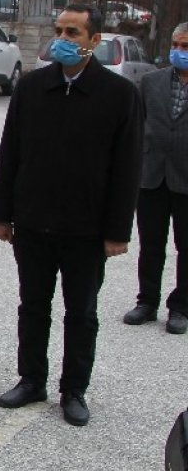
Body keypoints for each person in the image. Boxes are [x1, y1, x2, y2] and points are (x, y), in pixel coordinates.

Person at [0, 3, 143, 427]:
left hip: (86, 230)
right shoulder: (33, 87)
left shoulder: (119, 95)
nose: (63, 39)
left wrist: (117, 231)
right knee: (33, 307)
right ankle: (31, 379)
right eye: (59, 30)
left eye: (73, 32)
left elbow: (127, 168)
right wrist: (2, 213)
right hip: (34, 222)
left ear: (95, 40)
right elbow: (11, 153)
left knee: (81, 313)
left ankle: (74, 389)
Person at [121, 21, 188, 335]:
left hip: (186, 180)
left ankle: (180, 308)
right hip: (151, 177)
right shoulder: (151, 82)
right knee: (151, 244)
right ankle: (147, 301)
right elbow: (136, 128)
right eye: (175, 45)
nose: (178, 52)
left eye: (185, 47)